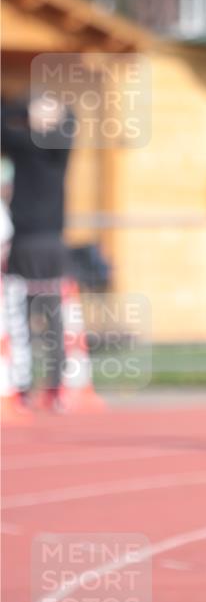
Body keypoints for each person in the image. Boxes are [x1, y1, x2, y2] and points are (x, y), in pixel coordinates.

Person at [1, 93, 73, 408]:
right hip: (25, 243)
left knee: (51, 318)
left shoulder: (59, 146)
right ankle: (24, 385)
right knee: (22, 319)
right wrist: (30, 110)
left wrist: (35, 111)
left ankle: (53, 387)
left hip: (49, 243)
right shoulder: (24, 144)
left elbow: (71, 119)